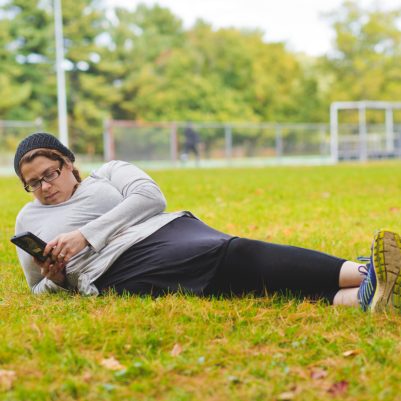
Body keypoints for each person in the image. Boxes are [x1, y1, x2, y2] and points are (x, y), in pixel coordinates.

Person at [13, 132, 401, 313]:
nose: (44, 188)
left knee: (239, 265)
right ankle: (369, 280)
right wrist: (58, 279)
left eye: (50, 174)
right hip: (114, 268)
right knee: (236, 267)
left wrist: (84, 236)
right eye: (32, 183)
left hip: (166, 229)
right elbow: (37, 290)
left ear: (68, 162)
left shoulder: (109, 172)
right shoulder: (28, 219)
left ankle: (364, 290)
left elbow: (151, 199)